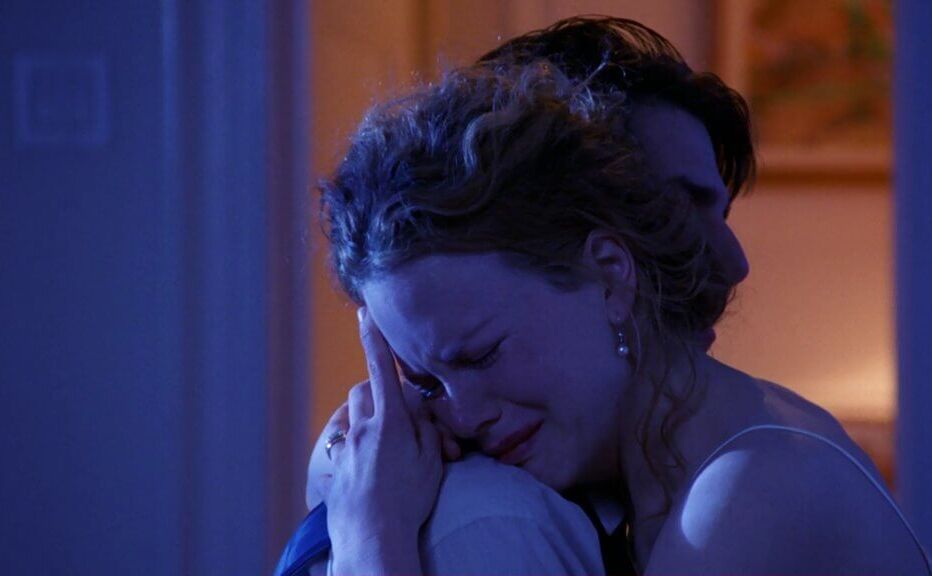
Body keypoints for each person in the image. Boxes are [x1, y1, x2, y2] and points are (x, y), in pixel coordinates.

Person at [297, 16, 931, 576]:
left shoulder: (751, 494)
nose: (463, 419)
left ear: (609, 275)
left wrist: (368, 539)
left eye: (483, 354)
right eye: (428, 383)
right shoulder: (643, 477)